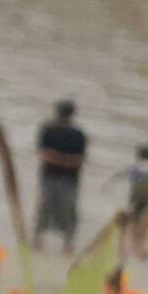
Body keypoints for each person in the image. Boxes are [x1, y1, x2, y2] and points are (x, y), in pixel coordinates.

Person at [33, 99, 87, 254]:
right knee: (61, 208)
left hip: (52, 176)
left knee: (47, 207)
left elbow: (44, 154)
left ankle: (45, 241)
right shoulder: (77, 134)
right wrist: (66, 161)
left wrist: (58, 159)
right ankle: (57, 243)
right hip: (67, 177)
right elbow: (79, 159)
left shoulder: (49, 130)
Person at [109, 144, 148, 259]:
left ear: (139, 156)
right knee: (144, 225)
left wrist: (109, 183)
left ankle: (127, 250)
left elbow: (119, 175)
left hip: (135, 199)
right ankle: (140, 250)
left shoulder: (134, 169)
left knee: (132, 222)